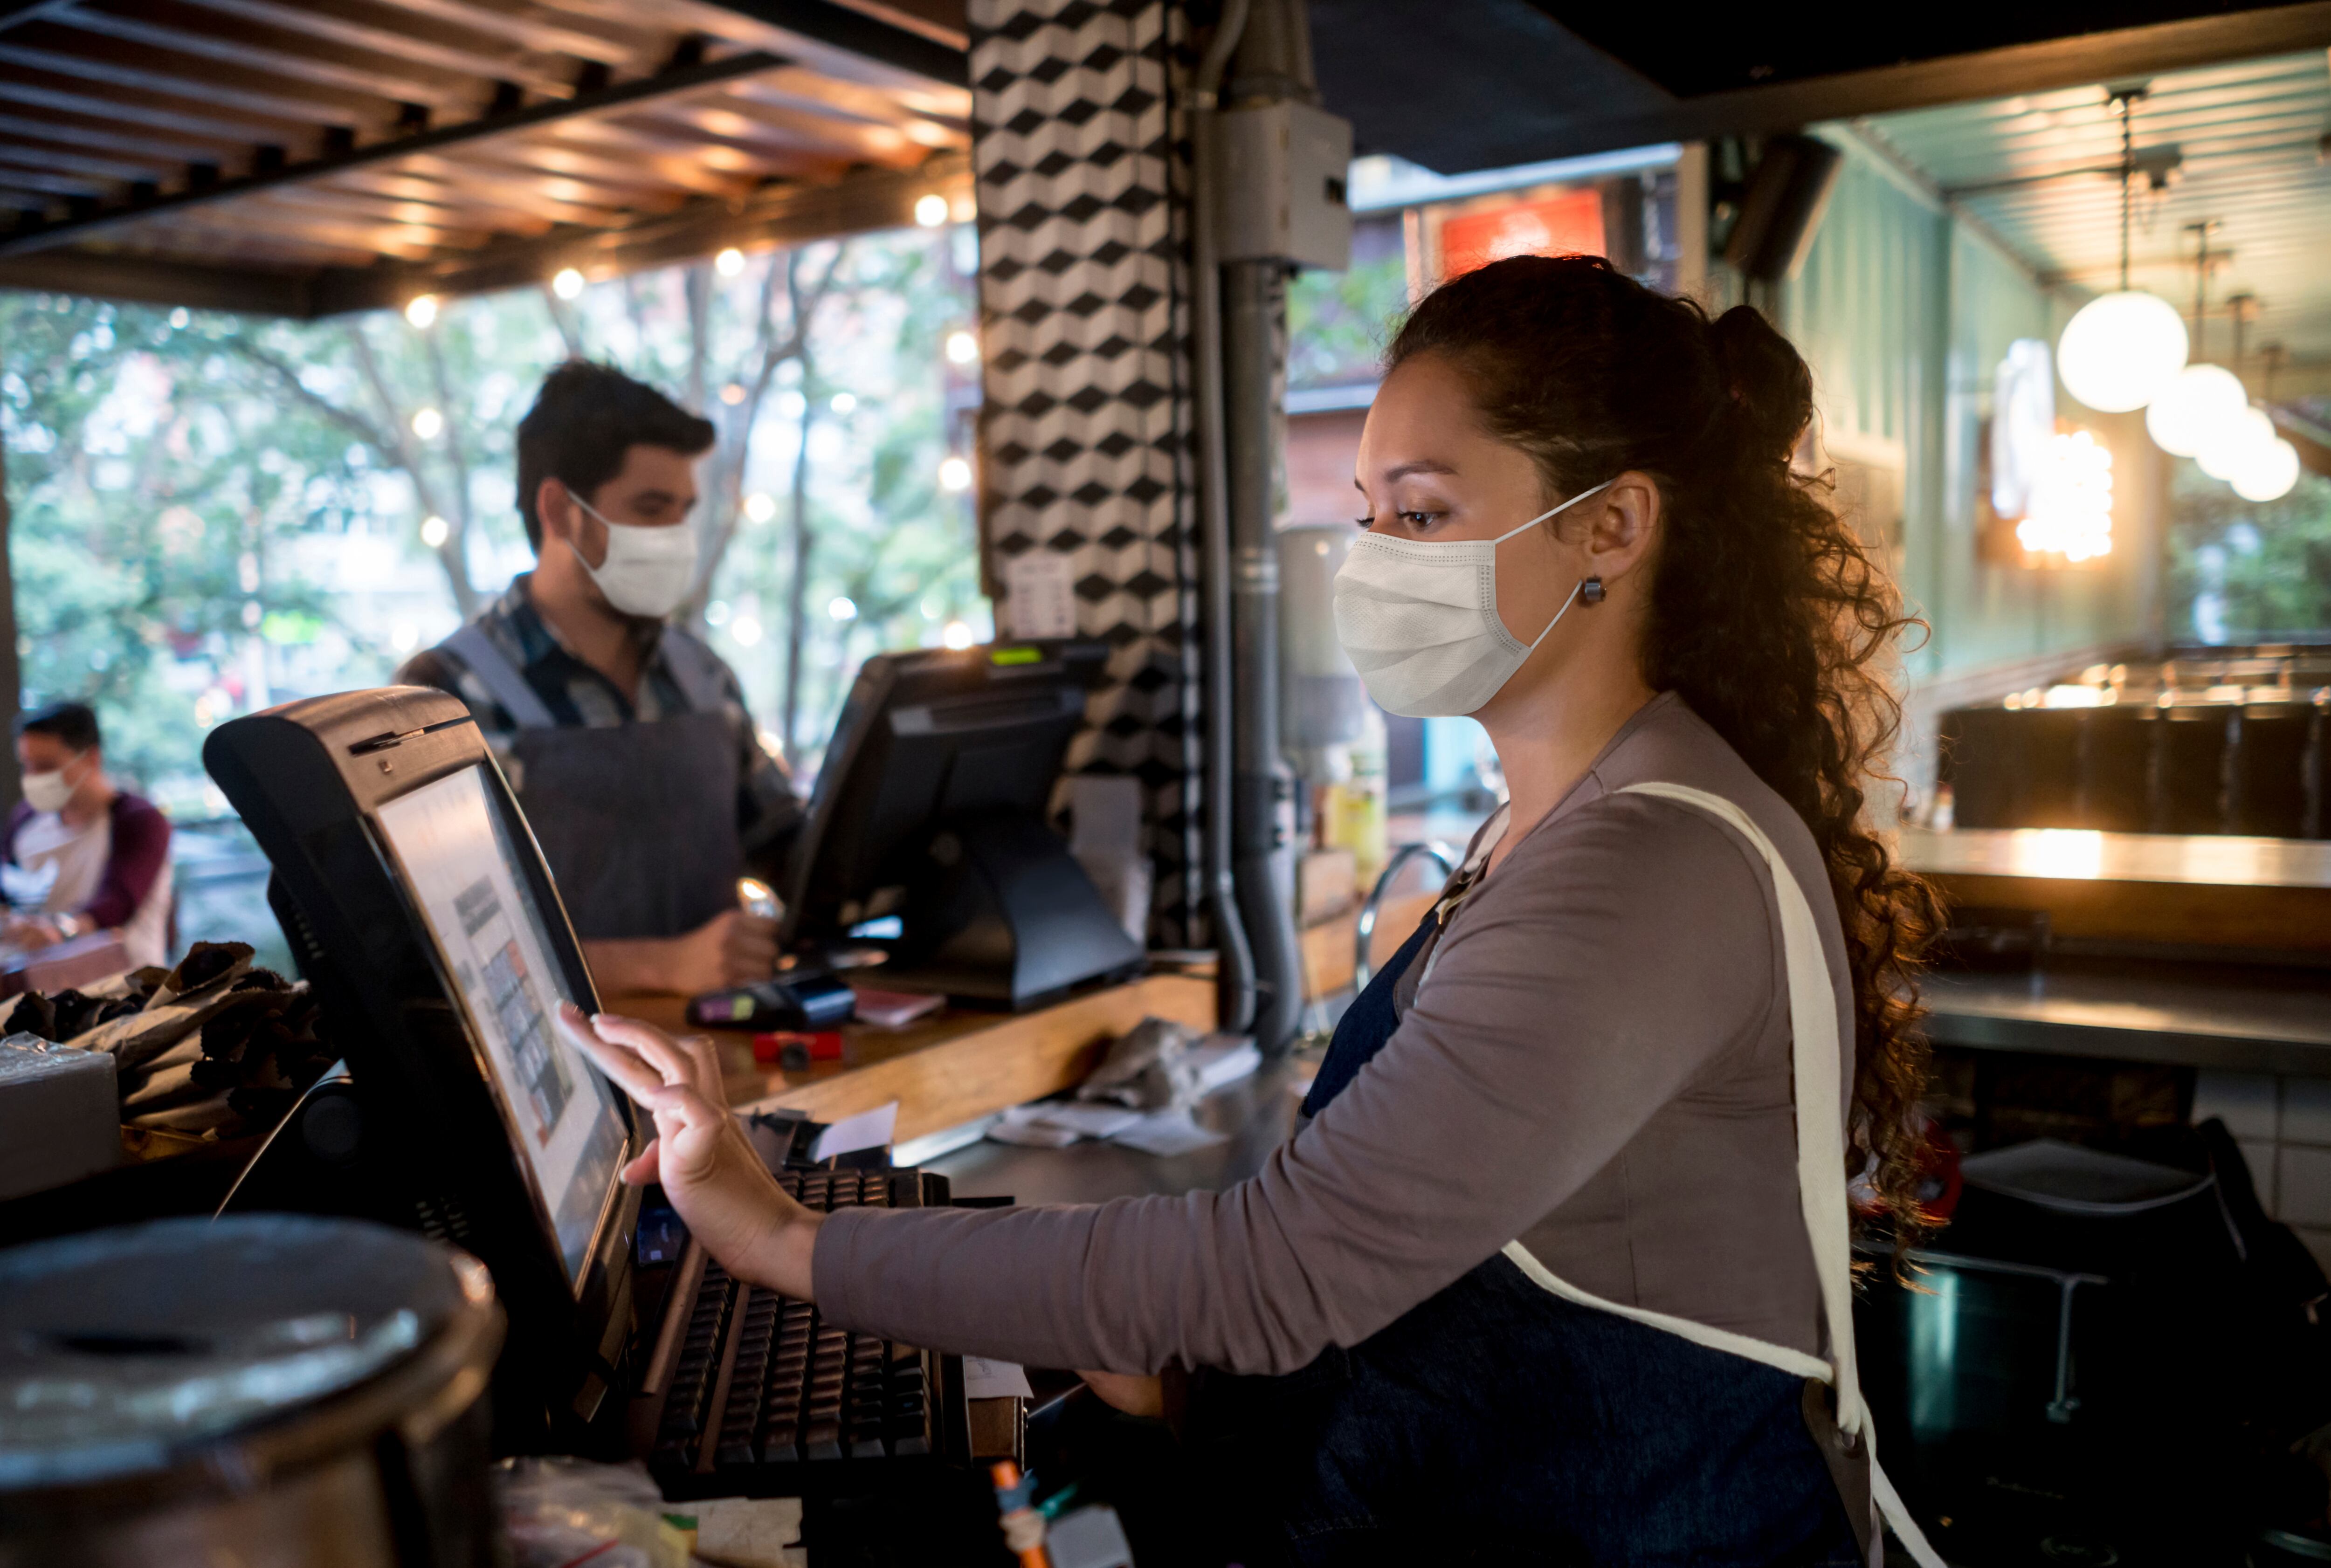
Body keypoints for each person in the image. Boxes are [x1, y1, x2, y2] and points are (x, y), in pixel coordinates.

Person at [559, 256, 1948, 1565]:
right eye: (1367, 513)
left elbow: (1280, 1270)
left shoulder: (1639, 864)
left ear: (1611, 524)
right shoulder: (1566, 815)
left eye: (1421, 512)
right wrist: (1130, 1327)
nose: (1373, 558)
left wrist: (782, 1238)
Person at [400, 362, 802, 998]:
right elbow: (430, 949)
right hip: (554, 1088)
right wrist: (662, 968)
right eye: (650, 509)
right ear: (562, 511)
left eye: (683, 512)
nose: (675, 536)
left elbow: (788, 850)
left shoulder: (705, 677)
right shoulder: (444, 698)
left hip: (727, 1072)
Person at [3, 701, 173, 970]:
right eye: (28, 766)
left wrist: (60, 930)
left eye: (47, 766)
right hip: (45, 990)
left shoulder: (138, 820)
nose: (33, 778)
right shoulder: (26, 820)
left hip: (127, 988)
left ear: (91, 759)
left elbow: (118, 903)